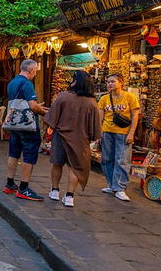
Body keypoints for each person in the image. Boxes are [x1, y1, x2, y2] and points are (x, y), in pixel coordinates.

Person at [43, 71, 102, 208]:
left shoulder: (63, 97)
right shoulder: (92, 103)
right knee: (74, 167)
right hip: (81, 140)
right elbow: (95, 127)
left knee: (57, 163)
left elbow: (52, 117)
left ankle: (55, 191)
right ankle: (69, 196)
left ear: (76, 81)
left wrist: (47, 131)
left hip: (61, 137)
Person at [4, 59, 49, 201]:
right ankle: (24, 188)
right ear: (31, 70)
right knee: (29, 154)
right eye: (35, 71)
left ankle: (10, 183)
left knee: (13, 153)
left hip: (14, 124)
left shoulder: (12, 83)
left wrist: (35, 105)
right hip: (27, 125)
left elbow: (19, 103)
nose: (35, 74)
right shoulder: (27, 84)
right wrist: (45, 112)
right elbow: (33, 106)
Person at [97, 73, 140, 202]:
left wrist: (131, 132)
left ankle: (120, 188)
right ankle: (112, 185)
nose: (110, 84)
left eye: (113, 81)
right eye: (108, 82)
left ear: (121, 83)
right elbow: (100, 117)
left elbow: (135, 116)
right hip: (107, 131)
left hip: (123, 132)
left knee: (122, 160)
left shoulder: (129, 97)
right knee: (106, 159)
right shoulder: (104, 99)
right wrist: (99, 133)